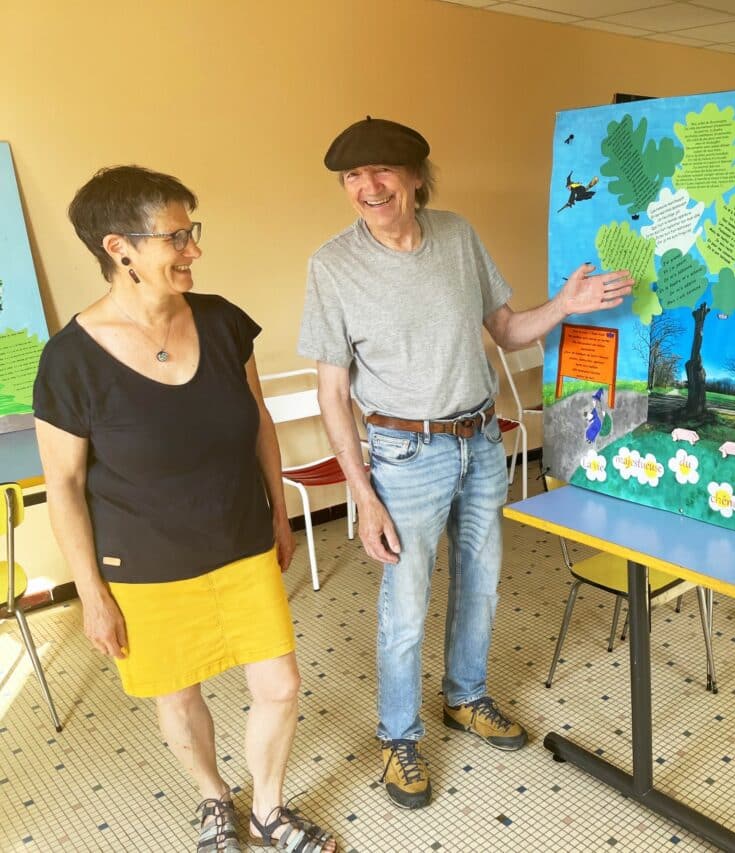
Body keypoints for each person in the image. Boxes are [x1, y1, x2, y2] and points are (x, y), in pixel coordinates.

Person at [298, 117, 632, 810]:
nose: (368, 186)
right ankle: (399, 736)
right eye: (353, 176)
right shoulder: (332, 266)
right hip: (403, 454)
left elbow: (505, 330)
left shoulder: (457, 236)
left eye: (383, 170)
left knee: (480, 584)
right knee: (405, 603)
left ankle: (465, 697)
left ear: (417, 177)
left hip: (479, 441)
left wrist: (565, 305)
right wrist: (363, 493)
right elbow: (331, 392)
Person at [33, 166, 337, 852]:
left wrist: (278, 511)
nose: (193, 249)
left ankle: (267, 809)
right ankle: (213, 796)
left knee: (280, 684)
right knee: (177, 692)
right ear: (119, 248)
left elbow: (258, 419)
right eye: (176, 236)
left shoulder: (223, 322)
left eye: (190, 232)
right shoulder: (70, 361)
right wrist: (92, 594)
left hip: (239, 541)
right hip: (145, 564)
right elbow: (65, 486)